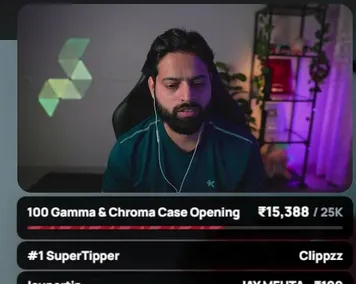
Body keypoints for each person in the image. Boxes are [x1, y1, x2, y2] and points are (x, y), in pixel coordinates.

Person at [103, 28, 267, 193]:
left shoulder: (244, 150)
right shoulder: (126, 152)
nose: (187, 97)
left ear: (210, 83)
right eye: (172, 85)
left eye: (198, 84)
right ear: (153, 88)